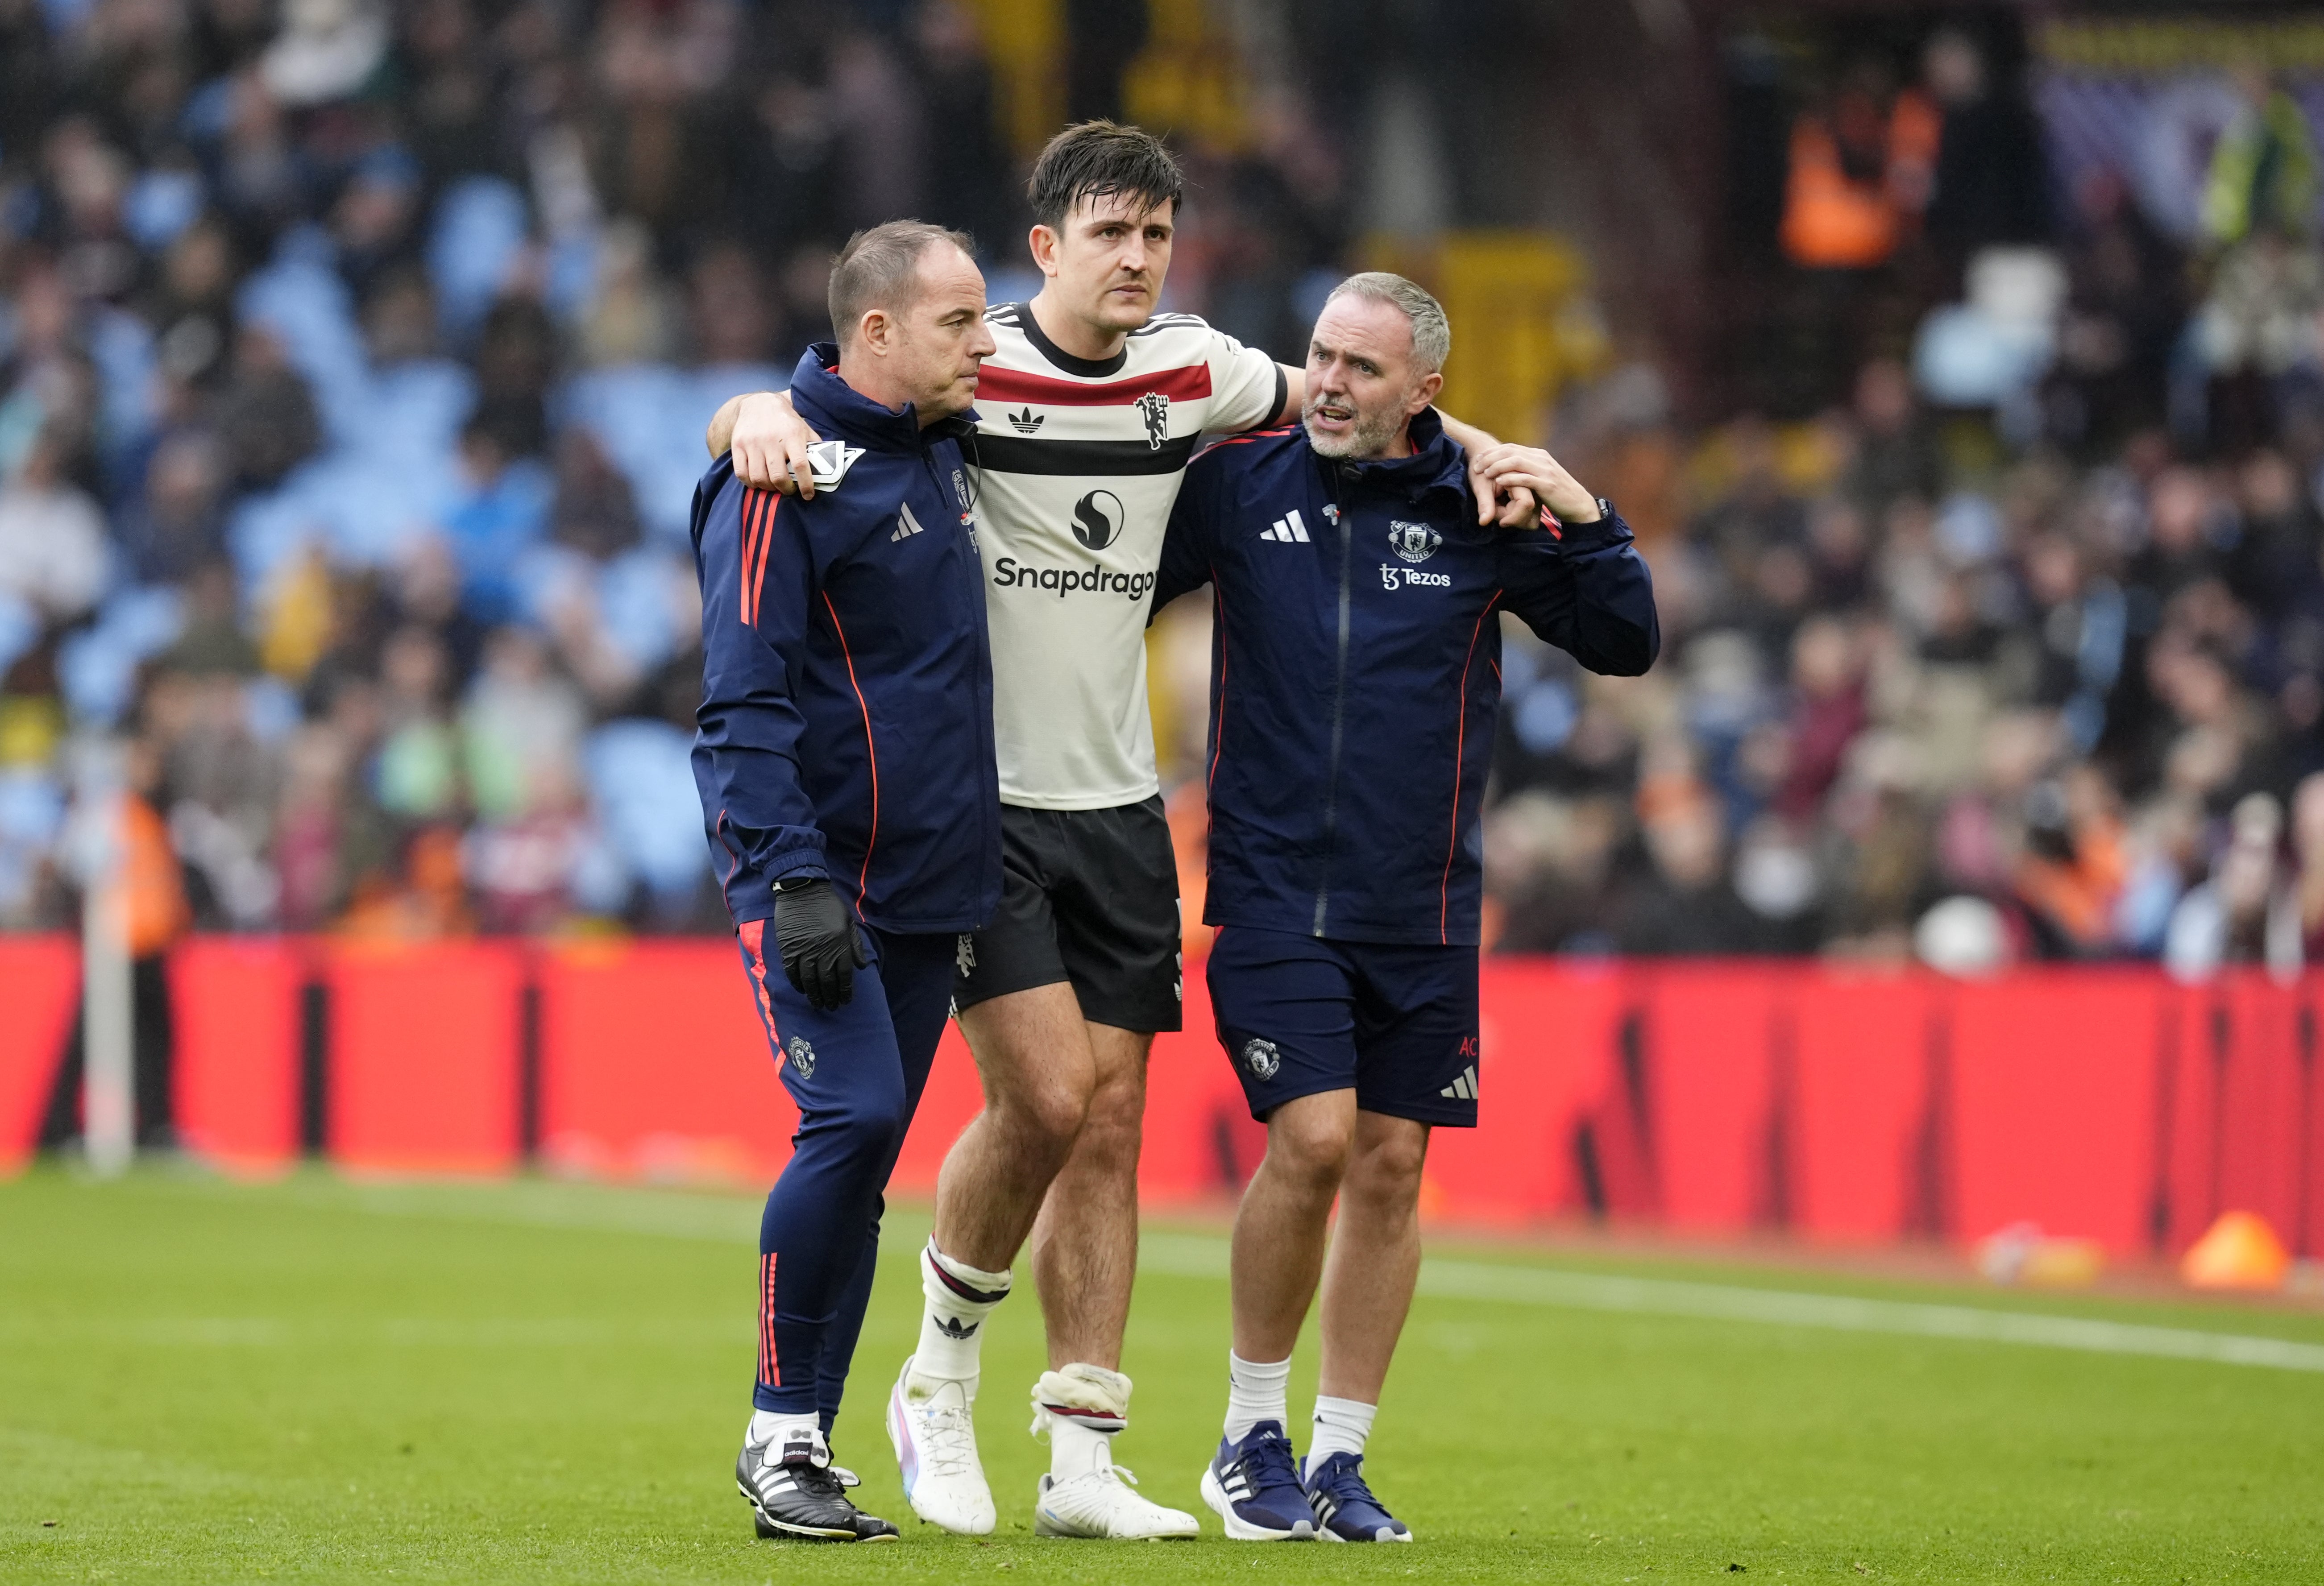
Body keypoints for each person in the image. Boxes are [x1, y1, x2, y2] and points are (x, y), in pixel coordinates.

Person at [706, 121, 1539, 1540]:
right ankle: (940, 1377)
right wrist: (744, 412)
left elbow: (1363, 400)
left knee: (1115, 1123)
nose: (1140, 257)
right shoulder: (974, 369)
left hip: (1126, 804)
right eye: (1111, 233)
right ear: (1047, 249)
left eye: (1158, 233)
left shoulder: (1204, 373)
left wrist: (1493, 446)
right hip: (985, 808)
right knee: (1046, 1097)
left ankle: (1082, 1450)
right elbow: (827, 397)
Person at [1152, 273, 1658, 1540]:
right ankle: (1247, 1430)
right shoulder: (1235, 487)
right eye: (1320, 355)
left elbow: (1626, 637)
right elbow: (1105, 591)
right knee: (1313, 1138)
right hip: (1269, 889)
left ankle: (1338, 1457)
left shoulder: (1479, 505)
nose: (1327, 381)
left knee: (1390, 1166)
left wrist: (1578, 504)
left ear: (1424, 389)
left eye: (1360, 368)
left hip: (1424, 903)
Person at [692, 220, 1001, 1544]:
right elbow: (740, 700)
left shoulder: (946, 443)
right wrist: (790, 877)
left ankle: (806, 1446)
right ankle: (777, 1432)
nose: (986, 344)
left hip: (935, 885)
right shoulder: (781, 480)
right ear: (877, 332)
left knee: (869, 1157)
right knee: (854, 1119)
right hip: (819, 885)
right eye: (959, 324)